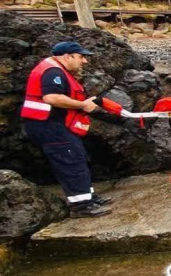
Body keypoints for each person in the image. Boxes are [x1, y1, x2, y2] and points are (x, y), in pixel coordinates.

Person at [21, 41, 111, 217]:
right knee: (70, 160)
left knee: (77, 156)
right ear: (67, 57)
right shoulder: (53, 72)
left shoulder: (55, 69)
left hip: (54, 124)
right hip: (47, 125)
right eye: (81, 57)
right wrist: (82, 105)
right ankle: (80, 206)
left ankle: (87, 197)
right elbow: (51, 98)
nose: (84, 61)